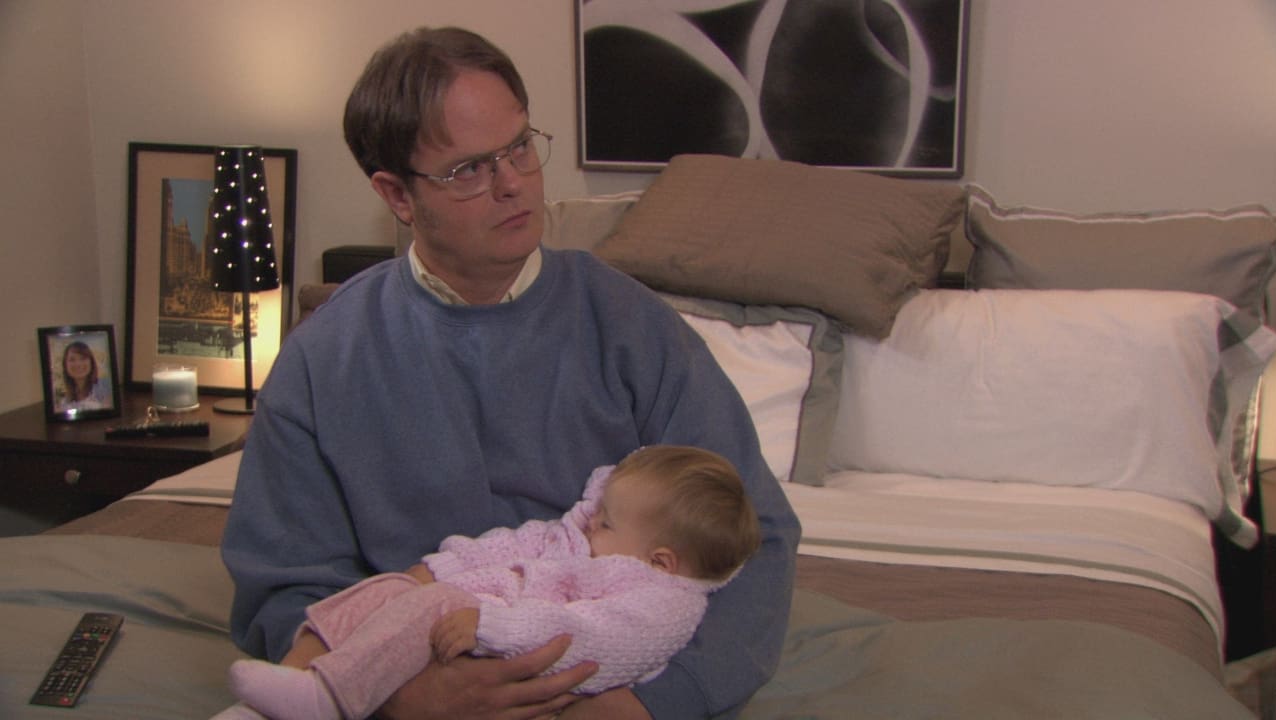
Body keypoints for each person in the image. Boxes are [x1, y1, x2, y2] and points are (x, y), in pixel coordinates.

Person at [220, 25, 800, 720]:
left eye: (520, 146)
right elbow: (283, 585)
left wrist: (647, 705)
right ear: (397, 195)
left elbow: (756, 537)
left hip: (614, 688)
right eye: (469, 170)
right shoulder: (321, 358)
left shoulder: (635, 328)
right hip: (404, 679)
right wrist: (404, 699)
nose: (514, 184)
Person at [224, 446, 760, 720]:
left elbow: (581, 636)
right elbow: (507, 545)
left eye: (608, 522)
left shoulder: (662, 607)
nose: (592, 521)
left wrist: (490, 626)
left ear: (661, 561)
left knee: (431, 604)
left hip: (509, 652)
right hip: (469, 618)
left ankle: (330, 699)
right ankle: (280, 696)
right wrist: (435, 568)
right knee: (386, 590)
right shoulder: (582, 537)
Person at [57, 341, 110, 411]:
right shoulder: (64, 403)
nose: (78, 364)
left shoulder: (106, 386)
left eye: (83, 358)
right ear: (65, 366)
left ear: (91, 362)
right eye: (72, 360)